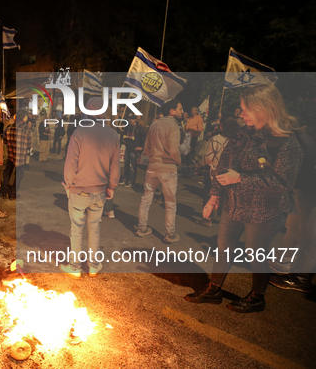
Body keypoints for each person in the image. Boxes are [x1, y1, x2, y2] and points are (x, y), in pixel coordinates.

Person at [185, 85, 303, 313]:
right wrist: (214, 195)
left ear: (265, 108)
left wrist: (240, 179)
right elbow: (224, 164)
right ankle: (213, 290)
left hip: (266, 210)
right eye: (241, 109)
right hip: (235, 205)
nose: (241, 114)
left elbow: (282, 184)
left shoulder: (286, 142)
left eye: (245, 109)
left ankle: (258, 296)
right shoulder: (244, 134)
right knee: (224, 246)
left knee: (254, 252)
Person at [60, 97, 121, 278]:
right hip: (100, 190)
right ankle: (93, 265)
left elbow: (70, 163)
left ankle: (75, 266)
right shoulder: (113, 135)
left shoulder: (79, 133)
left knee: (76, 228)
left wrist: (68, 184)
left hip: (79, 189)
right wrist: (112, 186)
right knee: (94, 228)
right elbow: (115, 166)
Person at [269, 129, 316, 292]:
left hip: (311, 188)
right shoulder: (305, 135)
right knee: (294, 226)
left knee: (309, 234)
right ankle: (282, 263)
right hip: (305, 185)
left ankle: (302, 276)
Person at [135, 99, 183, 244]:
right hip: (168, 168)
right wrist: (179, 161)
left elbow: (147, 146)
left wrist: (152, 157)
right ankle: (170, 233)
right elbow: (174, 150)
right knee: (170, 202)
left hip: (153, 167)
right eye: (180, 108)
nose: (182, 111)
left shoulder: (154, 125)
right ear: (172, 111)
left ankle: (142, 228)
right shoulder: (174, 126)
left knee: (146, 198)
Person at [196, 115, 241, 227]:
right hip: (230, 173)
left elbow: (209, 157)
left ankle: (207, 218)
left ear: (222, 126)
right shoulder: (237, 141)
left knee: (209, 194)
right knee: (225, 196)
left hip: (214, 171)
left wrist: (198, 165)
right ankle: (223, 219)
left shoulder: (216, 139)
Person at [0, 109, 32, 200]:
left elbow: (5, 141)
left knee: (7, 173)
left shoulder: (8, 128)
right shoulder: (26, 130)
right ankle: (13, 194)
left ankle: (4, 192)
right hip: (21, 158)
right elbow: (29, 145)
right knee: (18, 176)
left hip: (11, 156)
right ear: (23, 119)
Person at [119, 113, 146, 188]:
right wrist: (121, 130)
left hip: (135, 149)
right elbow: (123, 135)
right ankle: (125, 179)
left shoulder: (139, 128)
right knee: (126, 164)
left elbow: (144, 137)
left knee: (133, 166)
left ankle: (131, 181)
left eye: (132, 119)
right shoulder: (127, 127)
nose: (131, 120)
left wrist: (141, 147)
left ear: (135, 119)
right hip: (128, 147)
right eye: (130, 118)